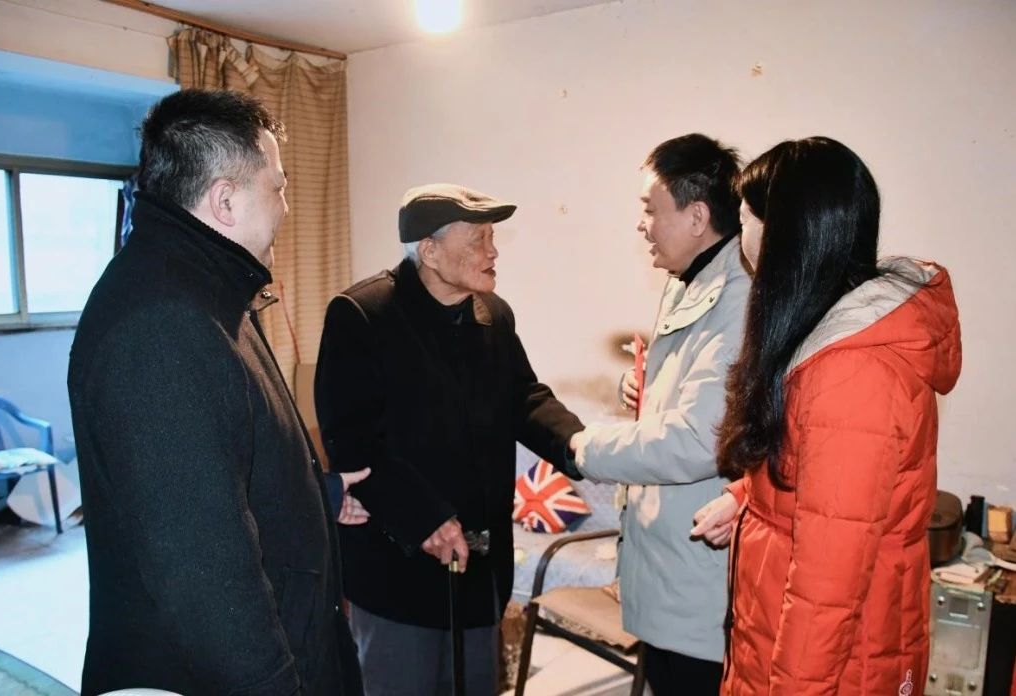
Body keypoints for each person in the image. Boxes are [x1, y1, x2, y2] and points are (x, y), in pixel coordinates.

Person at [68, 89, 367, 696]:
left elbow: (219, 464)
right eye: (277, 187)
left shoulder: (202, 290)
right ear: (225, 200)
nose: (286, 206)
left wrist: (317, 493)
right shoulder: (160, 326)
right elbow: (205, 577)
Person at [692, 137, 962, 695]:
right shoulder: (828, 332)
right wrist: (747, 497)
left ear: (785, 233)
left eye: (745, 222)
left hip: (835, 666)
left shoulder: (851, 373)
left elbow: (828, 588)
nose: (741, 240)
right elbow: (830, 485)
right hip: (790, 640)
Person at [314, 183, 584, 696]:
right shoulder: (363, 314)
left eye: (493, 238)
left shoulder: (493, 314)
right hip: (399, 569)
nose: (493, 251)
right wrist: (426, 519)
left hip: (480, 572)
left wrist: (580, 446)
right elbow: (353, 441)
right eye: (479, 239)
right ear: (430, 250)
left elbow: (523, 398)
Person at [566, 133, 749, 694]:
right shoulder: (687, 282)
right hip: (666, 565)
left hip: (697, 580)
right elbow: (698, 392)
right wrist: (648, 389)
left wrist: (585, 446)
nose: (641, 225)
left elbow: (698, 440)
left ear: (697, 216)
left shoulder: (739, 298)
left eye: (650, 209)